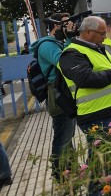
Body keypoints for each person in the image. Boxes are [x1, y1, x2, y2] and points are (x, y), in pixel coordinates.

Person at [58, 16, 111, 195]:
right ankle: (96, 192)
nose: (104, 37)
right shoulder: (71, 54)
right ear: (88, 32)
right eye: (101, 33)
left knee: (109, 159)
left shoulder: (97, 48)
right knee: (101, 161)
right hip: (96, 116)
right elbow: (86, 79)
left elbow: (103, 71)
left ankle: (109, 189)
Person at [29, 13, 76, 182]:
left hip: (65, 92)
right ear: (56, 26)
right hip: (57, 94)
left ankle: (71, 169)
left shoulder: (59, 43)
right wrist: (70, 40)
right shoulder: (47, 45)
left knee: (68, 135)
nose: (70, 27)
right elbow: (63, 62)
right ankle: (60, 175)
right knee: (62, 137)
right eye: (66, 25)